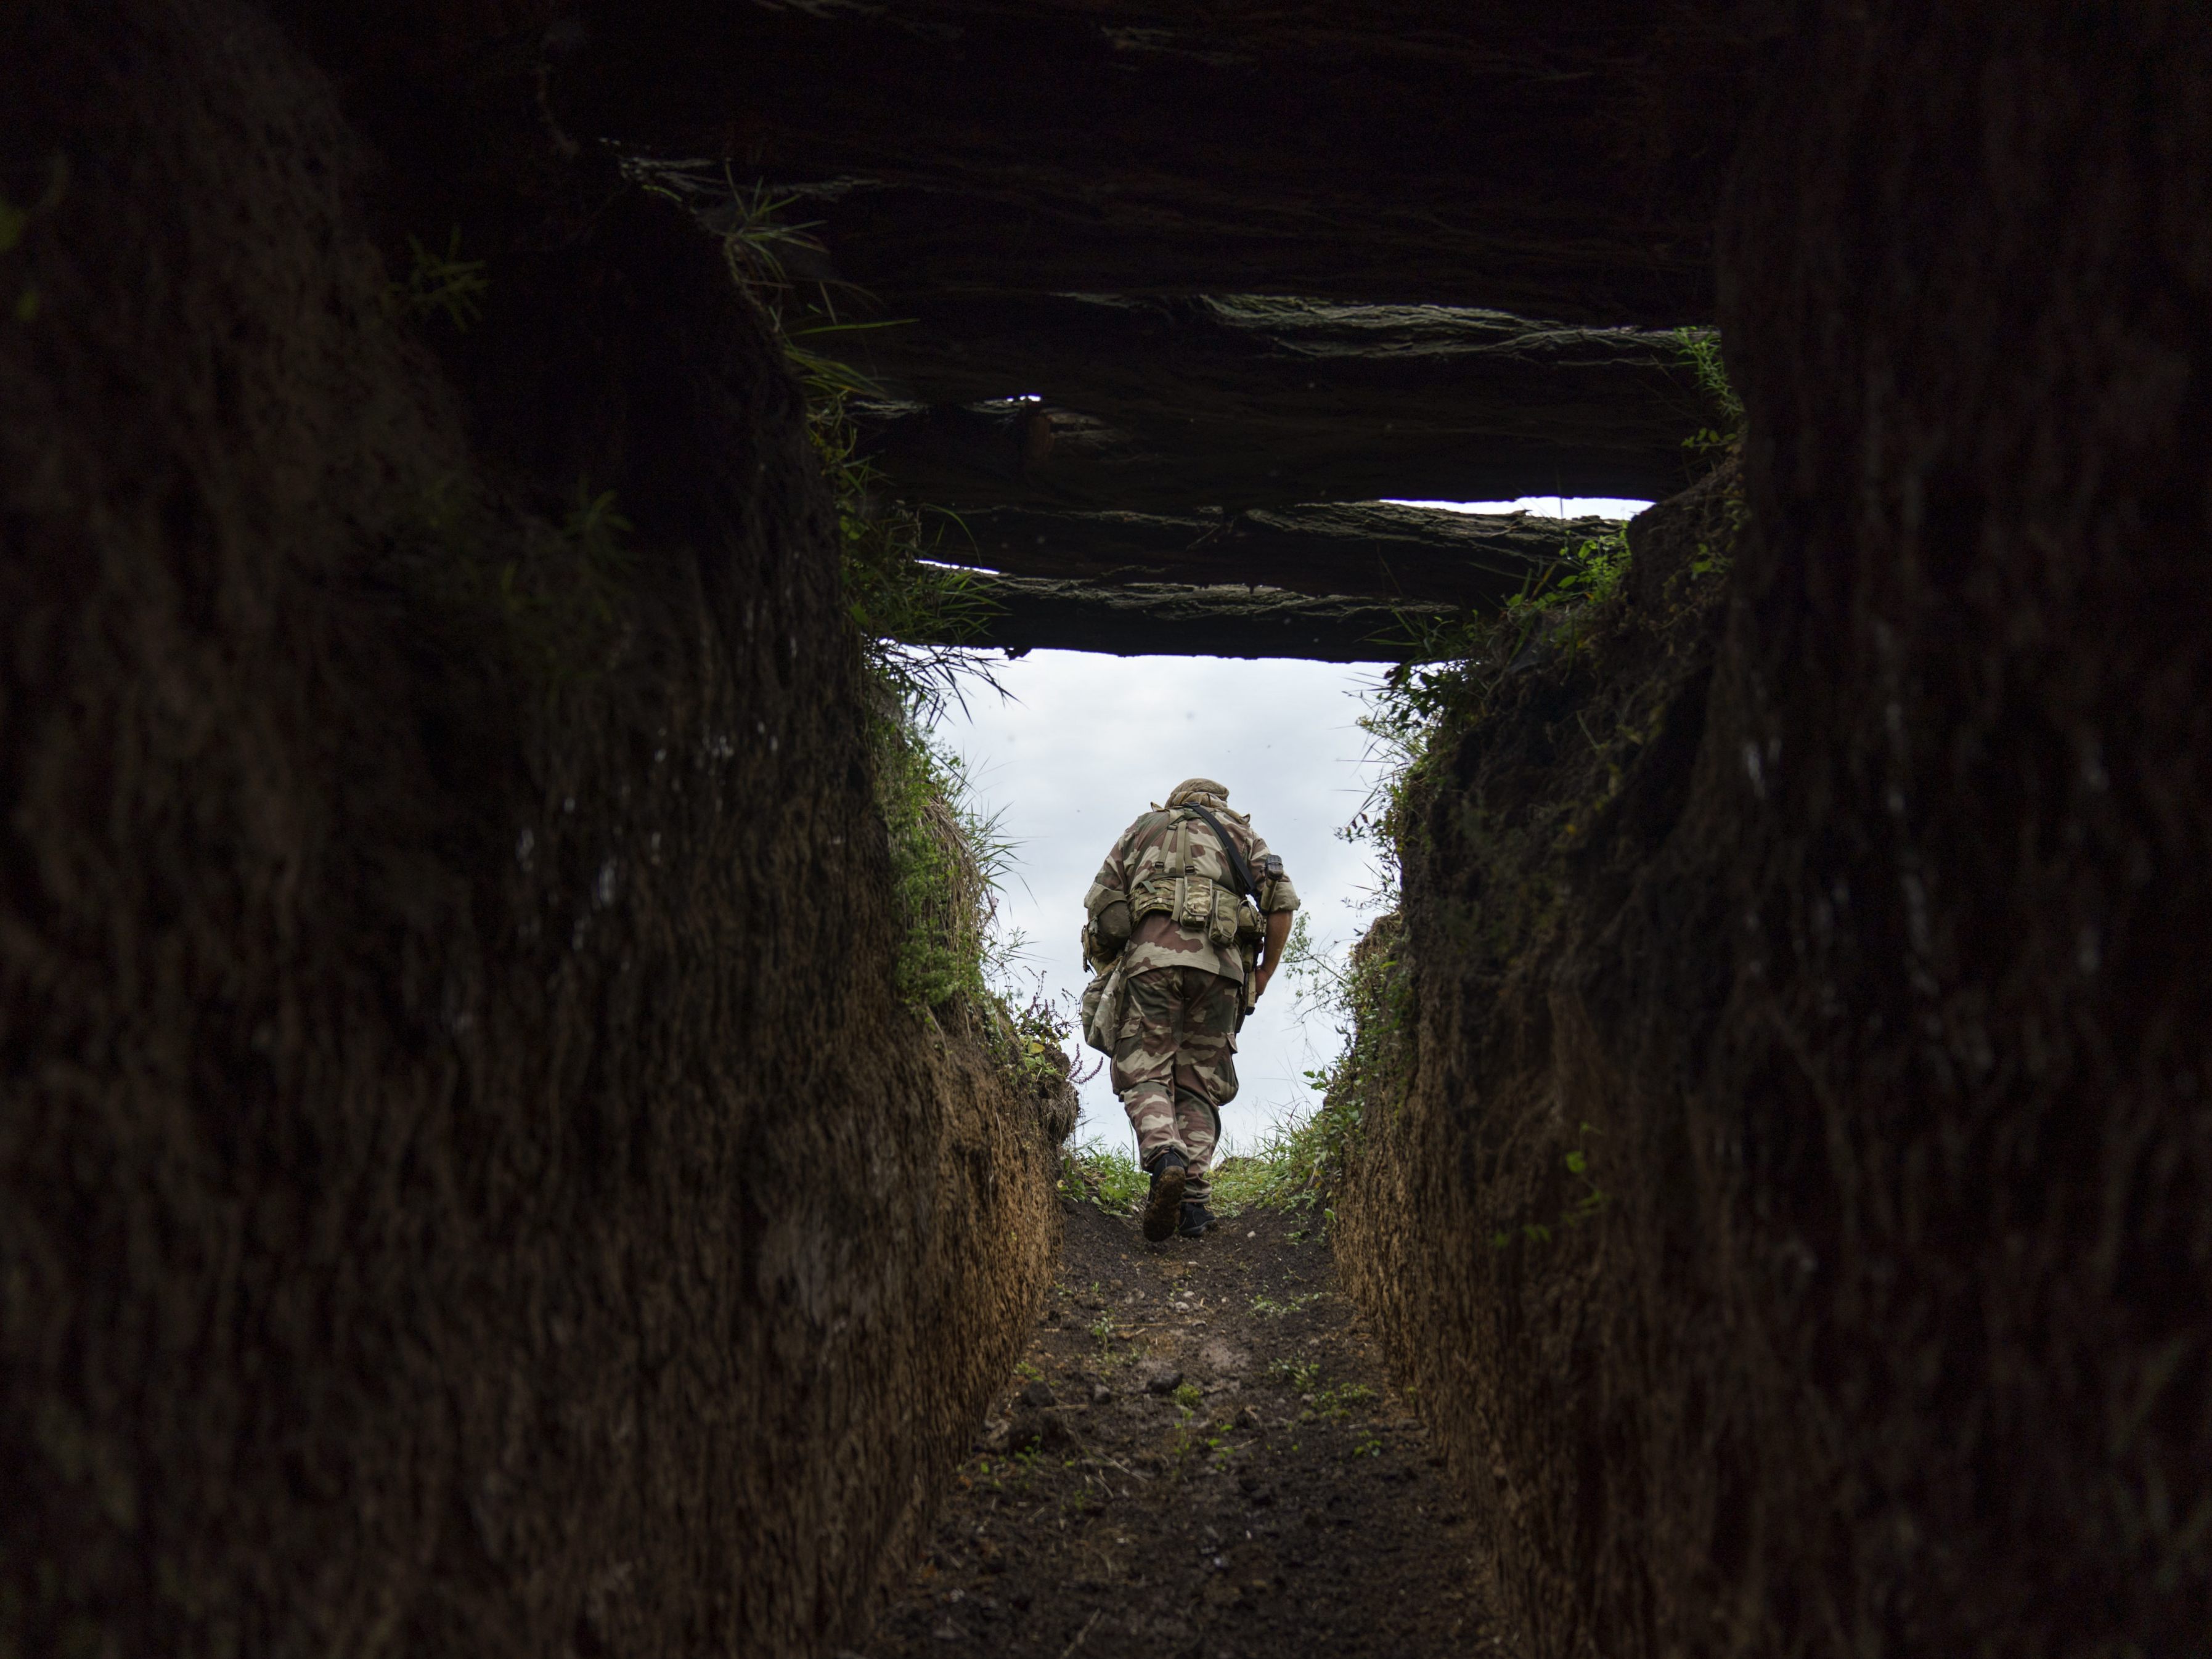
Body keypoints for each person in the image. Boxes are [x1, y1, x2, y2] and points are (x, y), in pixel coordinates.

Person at [1081, 778, 1299, 1242]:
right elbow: (1281, 902)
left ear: (1176, 801)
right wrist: (1263, 972)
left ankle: (1166, 1157)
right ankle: (1194, 1204)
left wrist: (1108, 963)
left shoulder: (1142, 829)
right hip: (1221, 972)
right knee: (1199, 1081)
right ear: (1219, 803)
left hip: (1151, 965)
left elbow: (1104, 909)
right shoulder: (1241, 834)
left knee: (1145, 1070)